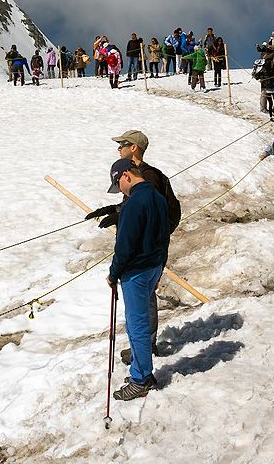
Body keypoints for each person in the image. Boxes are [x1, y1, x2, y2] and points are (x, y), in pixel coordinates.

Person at [86, 132, 181, 367]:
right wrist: (113, 210)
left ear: (135, 148)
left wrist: (123, 217)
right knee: (143, 302)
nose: (119, 148)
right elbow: (135, 204)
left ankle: (145, 347)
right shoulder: (136, 178)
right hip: (148, 253)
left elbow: (147, 213)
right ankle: (143, 348)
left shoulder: (149, 177)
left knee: (143, 304)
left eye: (123, 144)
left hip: (146, 254)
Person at [104, 158, 171, 400]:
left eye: (117, 183)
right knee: (139, 323)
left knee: (137, 326)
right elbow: (165, 236)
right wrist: (160, 266)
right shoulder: (157, 197)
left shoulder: (134, 204)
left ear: (126, 176)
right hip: (153, 266)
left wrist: (113, 274)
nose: (119, 189)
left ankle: (141, 379)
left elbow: (124, 247)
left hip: (136, 272)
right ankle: (143, 372)